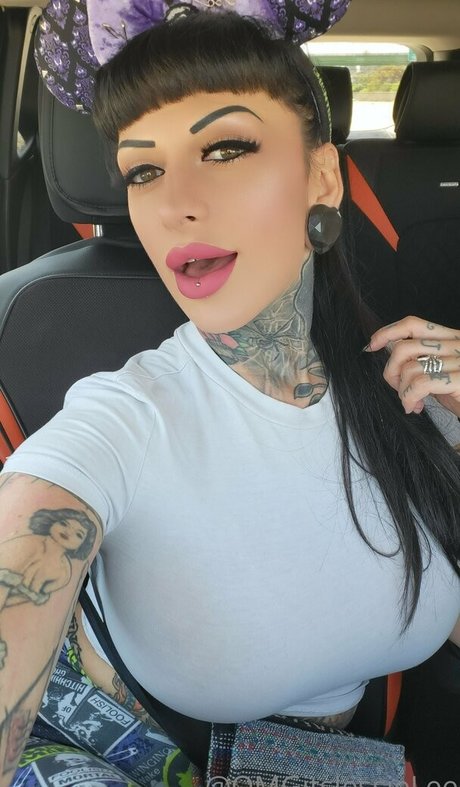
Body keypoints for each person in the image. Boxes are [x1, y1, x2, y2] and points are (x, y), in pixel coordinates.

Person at [1, 0, 460, 785]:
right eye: (144, 170)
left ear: (323, 177)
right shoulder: (122, 418)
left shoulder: (413, 389)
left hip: (324, 766)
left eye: (225, 148)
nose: (174, 202)